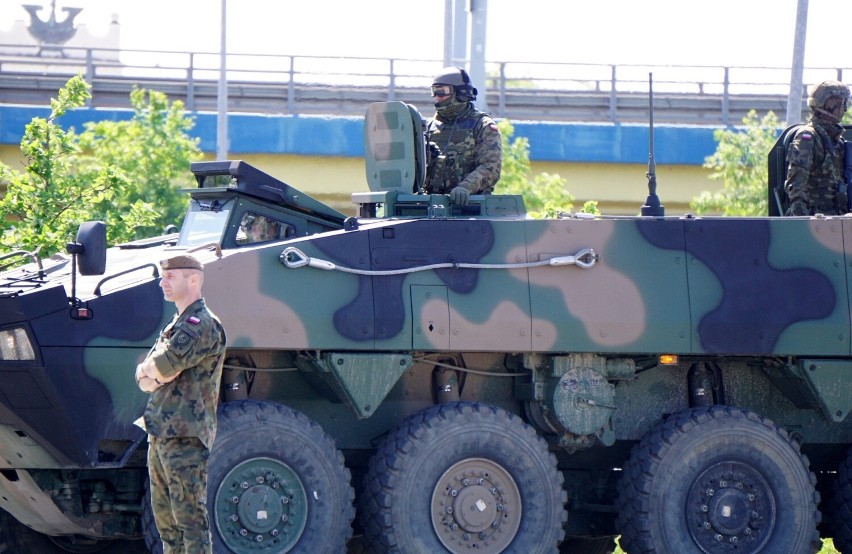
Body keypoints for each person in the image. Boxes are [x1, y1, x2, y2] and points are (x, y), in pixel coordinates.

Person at [135, 254, 226, 554]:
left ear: (194, 279)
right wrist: (153, 372)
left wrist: (155, 372)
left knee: (190, 520)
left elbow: (161, 368)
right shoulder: (176, 324)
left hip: (186, 434)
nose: (163, 282)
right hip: (160, 430)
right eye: (163, 276)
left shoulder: (201, 324)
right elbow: (143, 377)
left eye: (170, 277)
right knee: (166, 523)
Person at [423, 66, 502, 206]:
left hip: (471, 206)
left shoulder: (482, 126)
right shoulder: (427, 127)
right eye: (434, 91)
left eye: (442, 91)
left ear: (461, 94)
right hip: (431, 205)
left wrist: (465, 187)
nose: (437, 96)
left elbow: (490, 167)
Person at [784, 80, 850, 216]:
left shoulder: (837, 140)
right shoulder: (808, 137)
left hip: (837, 219)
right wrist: (803, 222)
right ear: (826, 104)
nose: (843, 108)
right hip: (816, 221)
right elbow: (796, 185)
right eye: (839, 103)